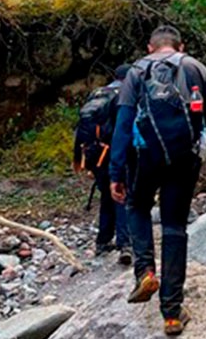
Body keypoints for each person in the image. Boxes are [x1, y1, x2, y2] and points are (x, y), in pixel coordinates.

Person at [109, 25, 206, 336]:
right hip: (184, 157)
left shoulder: (136, 71)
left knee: (137, 207)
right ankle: (172, 315)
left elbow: (123, 123)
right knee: (175, 226)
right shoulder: (196, 68)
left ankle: (146, 272)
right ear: (181, 45)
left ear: (151, 48)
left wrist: (115, 172)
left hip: (144, 155)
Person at [72, 64, 132, 265]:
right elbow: (124, 128)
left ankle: (103, 241)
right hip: (113, 152)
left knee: (107, 195)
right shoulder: (125, 94)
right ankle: (126, 244)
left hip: (92, 153)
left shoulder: (98, 93)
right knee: (121, 192)